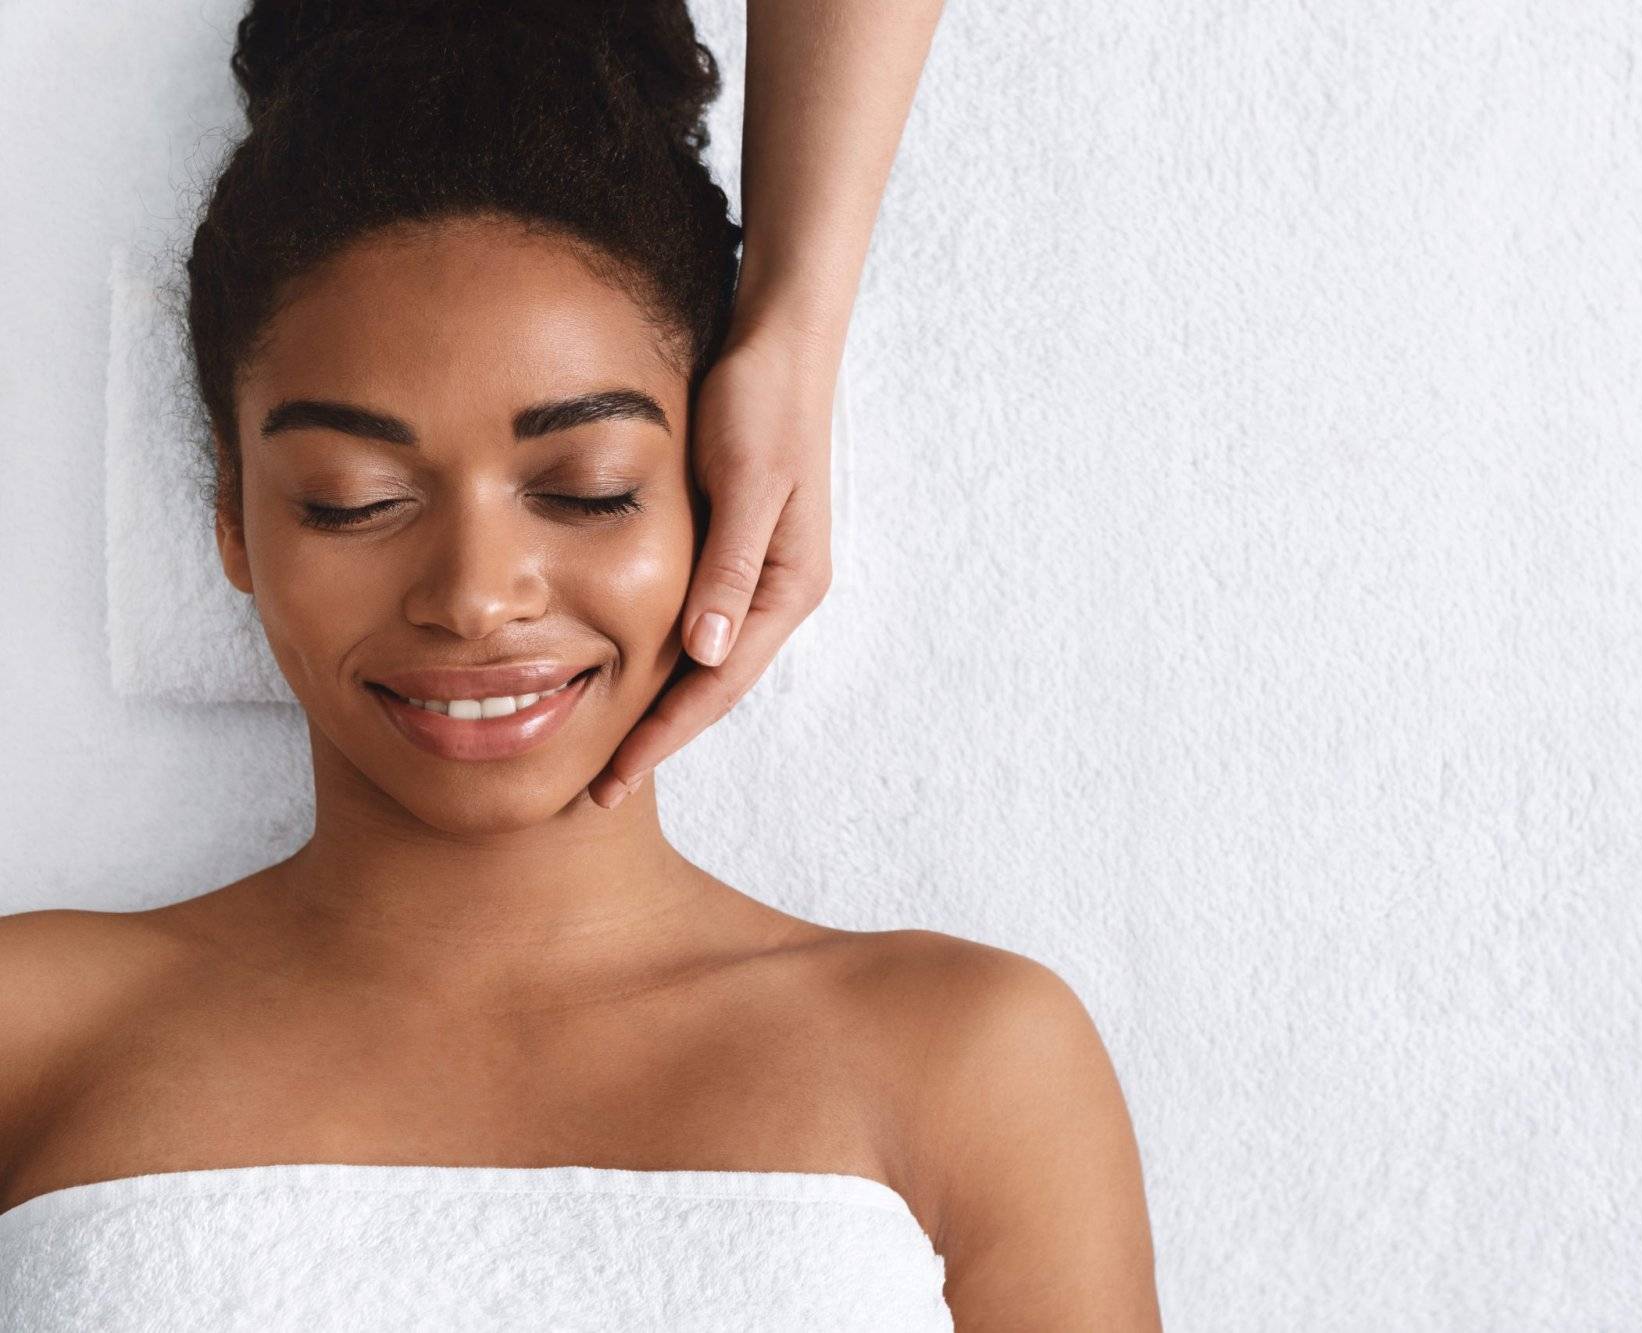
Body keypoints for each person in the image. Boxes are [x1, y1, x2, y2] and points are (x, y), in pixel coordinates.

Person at [0, 1, 1162, 1328]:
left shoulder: (973, 1059)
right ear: (233, 519)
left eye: (591, 488)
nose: (474, 597)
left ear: (720, 490)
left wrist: (794, 320)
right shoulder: (32, 1033)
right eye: (353, 497)